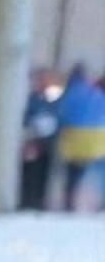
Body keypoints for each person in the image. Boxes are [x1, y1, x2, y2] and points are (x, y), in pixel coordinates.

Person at [53, 63, 105, 212]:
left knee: (73, 173)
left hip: (75, 137)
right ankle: (101, 203)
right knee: (100, 173)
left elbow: (62, 115)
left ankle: (69, 202)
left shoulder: (71, 93)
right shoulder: (96, 93)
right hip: (98, 137)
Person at [22, 65, 63, 210]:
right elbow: (27, 117)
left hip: (49, 140)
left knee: (44, 171)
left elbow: (59, 114)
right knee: (30, 171)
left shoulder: (53, 98)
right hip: (34, 139)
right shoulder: (33, 98)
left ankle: (39, 200)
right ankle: (27, 200)